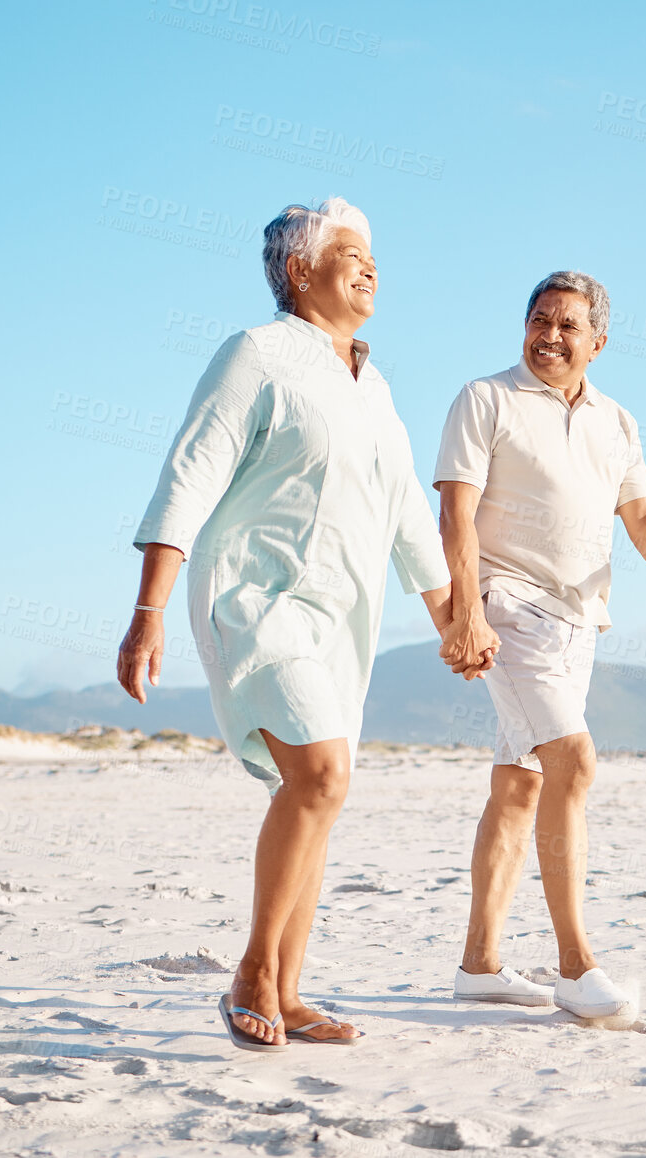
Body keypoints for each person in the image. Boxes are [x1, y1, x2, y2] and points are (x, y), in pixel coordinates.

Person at [117, 197, 461, 1051]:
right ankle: (252, 975)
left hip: (344, 617)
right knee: (321, 778)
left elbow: (407, 513)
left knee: (312, 789)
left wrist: (452, 614)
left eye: (374, 253)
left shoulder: (374, 385)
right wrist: (148, 610)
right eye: (350, 251)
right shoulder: (257, 354)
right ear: (301, 272)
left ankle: (291, 987)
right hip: (253, 600)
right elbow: (190, 475)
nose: (370, 265)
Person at [432, 271, 646, 1019]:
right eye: (538, 320)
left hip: (578, 620)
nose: (549, 336)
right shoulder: (485, 399)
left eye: (566, 326)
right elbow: (455, 517)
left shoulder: (617, 422)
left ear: (599, 342)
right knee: (575, 762)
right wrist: (466, 613)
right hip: (507, 606)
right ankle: (575, 967)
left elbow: (642, 513)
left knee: (520, 782)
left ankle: (480, 966)